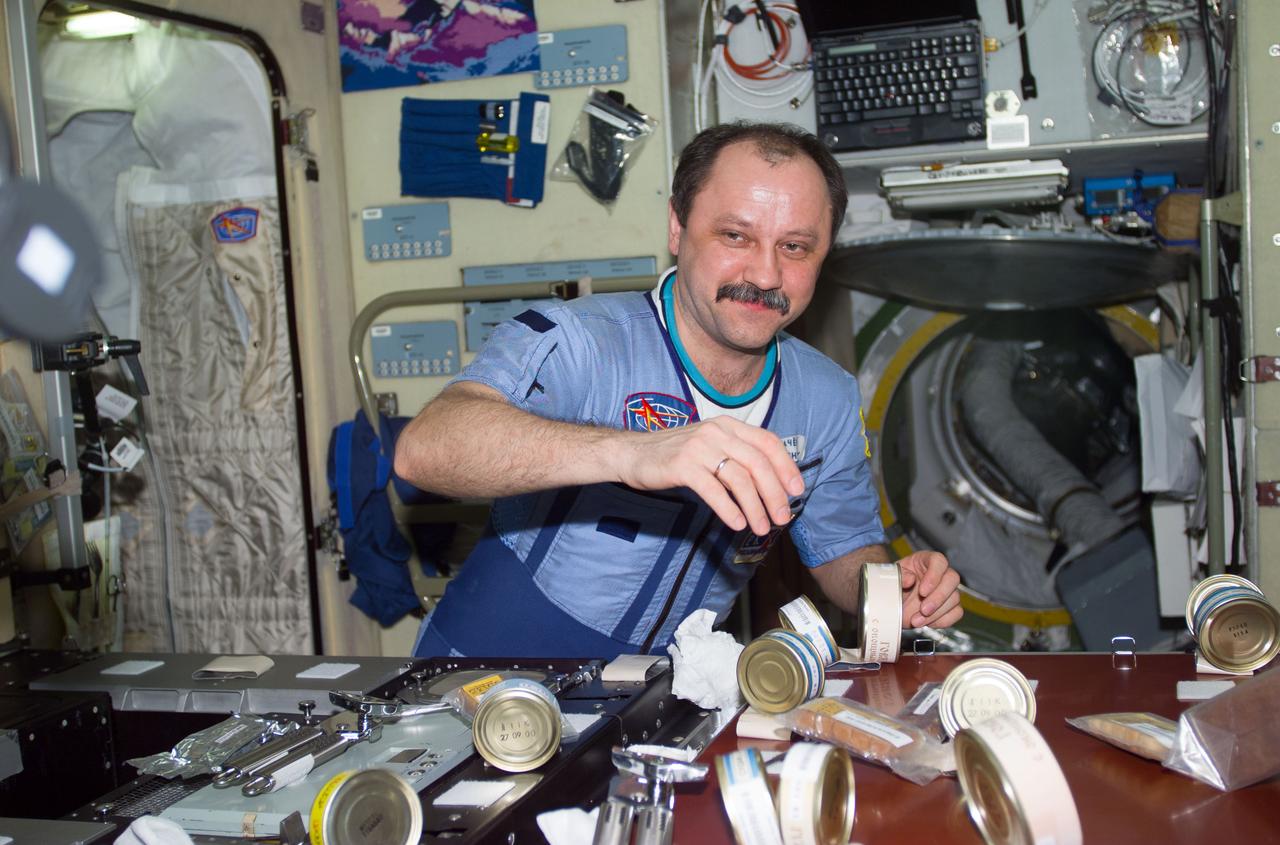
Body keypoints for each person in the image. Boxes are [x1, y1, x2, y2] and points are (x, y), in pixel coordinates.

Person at [394, 122, 963, 659]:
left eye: (794, 247)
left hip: (669, 686)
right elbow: (425, 450)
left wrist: (890, 591)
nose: (765, 275)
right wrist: (630, 452)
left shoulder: (827, 397)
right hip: (494, 667)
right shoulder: (580, 342)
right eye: (735, 236)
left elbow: (842, 549)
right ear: (677, 226)